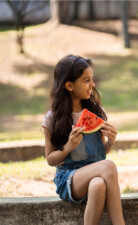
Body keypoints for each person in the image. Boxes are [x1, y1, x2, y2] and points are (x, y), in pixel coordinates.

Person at [42, 54, 125, 225]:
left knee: (98, 185)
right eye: (87, 80)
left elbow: (100, 153)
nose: (93, 85)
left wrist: (110, 142)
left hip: (96, 175)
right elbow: (50, 159)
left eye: (92, 79)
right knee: (109, 166)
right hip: (69, 179)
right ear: (69, 85)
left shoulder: (96, 112)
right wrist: (68, 147)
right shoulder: (53, 118)